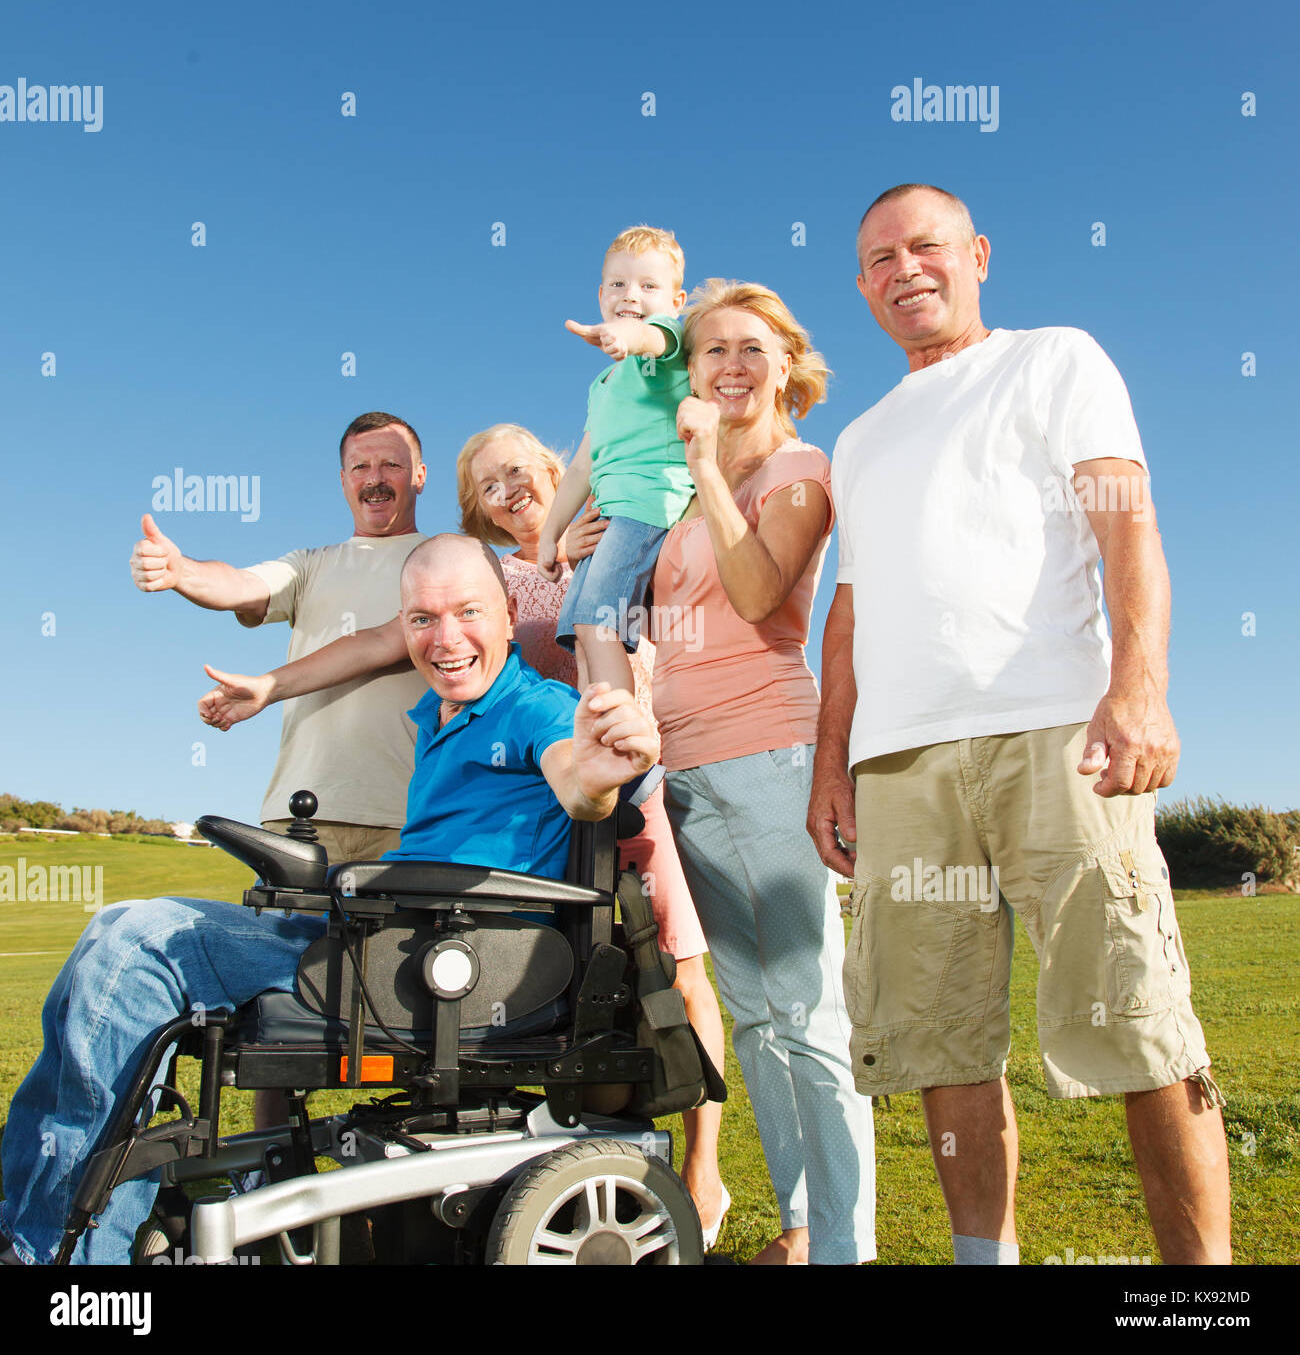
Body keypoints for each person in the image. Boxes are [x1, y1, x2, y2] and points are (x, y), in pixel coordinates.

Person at [0, 535, 658, 1265]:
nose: (445, 638)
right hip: (392, 937)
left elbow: (574, 778)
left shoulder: (538, 708)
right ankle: (33, 1218)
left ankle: (57, 1254)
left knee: (138, 943)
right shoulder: (438, 719)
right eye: (421, 619)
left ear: (508, 617)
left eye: (468, 611)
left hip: (452, 958)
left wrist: (597, 778)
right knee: (116, 934)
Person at [807, 183, 1231, 1265]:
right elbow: (846, 615)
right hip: (900, 762)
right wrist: (831, 764)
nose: (904, 270)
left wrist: (1137, 686)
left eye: (926, 246)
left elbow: (1126, 521)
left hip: (1056, 731)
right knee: (941, 1039)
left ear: (978, 254)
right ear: (860, 286)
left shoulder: (1055, 358)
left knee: (1137, 1021)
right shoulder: (857, 437)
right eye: (879, 259)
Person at [198, 424, 731, 1247]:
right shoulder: (499, 579)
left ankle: (702, 1167)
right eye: (489, 483)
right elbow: (381, 642)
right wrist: (268, 686)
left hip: (599, 761)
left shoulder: (623, 539)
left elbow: (666, 616)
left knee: (671, 965)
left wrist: (609, 757)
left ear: (558, 469)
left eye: (522, 470)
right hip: (536, 782)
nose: (509, 488)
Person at [637, 278, 877, 1266]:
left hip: (769, 757)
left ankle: (846, 1246)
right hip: (683, 775)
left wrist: (699, 460)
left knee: (807, 1013)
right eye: (708, 352)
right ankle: (801, 1225)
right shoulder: (680, 486)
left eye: (748, 349)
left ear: (787, 364)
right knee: (755, 1019)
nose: (728, 367)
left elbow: (755, 587)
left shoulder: (797, 468)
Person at [129, 410, 429, 864]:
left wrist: (269, 686)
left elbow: (384, 642)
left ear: (420, 476)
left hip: (410, 814)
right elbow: (238, 585)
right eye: (360, 467)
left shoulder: (446, 561)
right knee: (284, 939)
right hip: (302, 812)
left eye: (392, 465)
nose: (375, 479)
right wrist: (181, 571)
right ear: (343, 480)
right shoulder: (309, 564)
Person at [536, 225, 696, 696]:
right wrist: (550, 534)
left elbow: (648, 335)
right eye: (619, 284)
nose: (632, 294)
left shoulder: (669, 345)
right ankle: (597, 739)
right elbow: (583, 467)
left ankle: (621, 743)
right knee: (582, 636)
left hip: (646, 507)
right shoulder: (603, 384)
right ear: (601, 292)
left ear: (677, 299)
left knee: (600, 626)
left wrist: (625, 334)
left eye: (649, 286)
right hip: (609, 517)